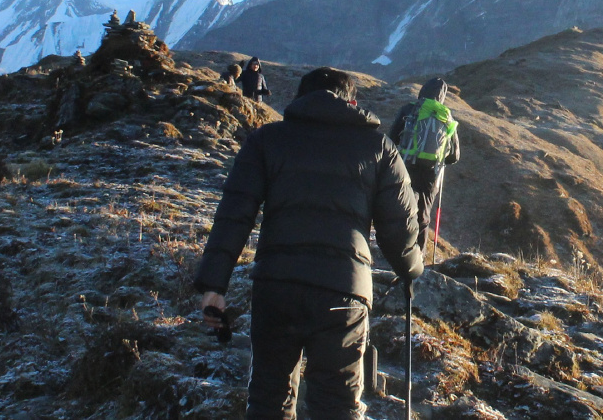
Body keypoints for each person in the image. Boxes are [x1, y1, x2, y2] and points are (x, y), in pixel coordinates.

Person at [193, 66, 423, 420]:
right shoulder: (378, 147)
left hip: (276, 286)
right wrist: (410, 269)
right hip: (344, 293)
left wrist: (213, 285)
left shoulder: (267, 140)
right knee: (337, 406)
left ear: (300, 99)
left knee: (269, 401)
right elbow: (400, 228)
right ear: (353, 101)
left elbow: (234, 214)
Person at [387, 79, 460, 249]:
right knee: (423, 215)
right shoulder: (446, 115)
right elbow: (454, 155)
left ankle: (397, 249)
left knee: (401, 206)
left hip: (406, 165)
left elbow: (392, 137)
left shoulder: (410, 109)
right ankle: (418, 255)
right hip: (431, 172)